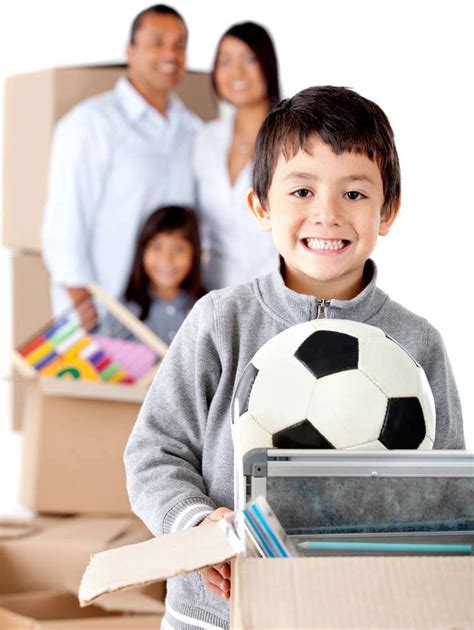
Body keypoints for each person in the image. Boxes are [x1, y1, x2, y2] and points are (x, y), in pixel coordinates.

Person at [125, 86, 465, 629]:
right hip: (212, 616)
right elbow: (154, 452)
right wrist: (196, 528)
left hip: (357, 614)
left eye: (354, 193)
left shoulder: (418, 342)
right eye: (302, 190)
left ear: (388, 211)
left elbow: (443, 494)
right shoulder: (220, 322)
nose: (326, 214)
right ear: (260, 206)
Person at [41, 4, 201, 325]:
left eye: (179, 44)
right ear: (130, 51)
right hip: (102, 315)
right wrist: (84, 309)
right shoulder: (92, 124)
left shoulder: (193, 130)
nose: (170, 53)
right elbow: (64, 224)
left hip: (167, 320)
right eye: (157, 42)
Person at [193, 22, 281, 290]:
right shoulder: (206, 138)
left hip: (278, 289)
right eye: (225, 61)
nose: (237, 72)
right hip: (216, 289)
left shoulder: (294, 138)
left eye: (249, 59)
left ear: (267, 64)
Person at [100, 206, 204, 344]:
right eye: (156, 247)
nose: (166, 259)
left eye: (179, 249)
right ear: (142, 251)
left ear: (195, 254)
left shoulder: (206, 310)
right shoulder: (122, 311)